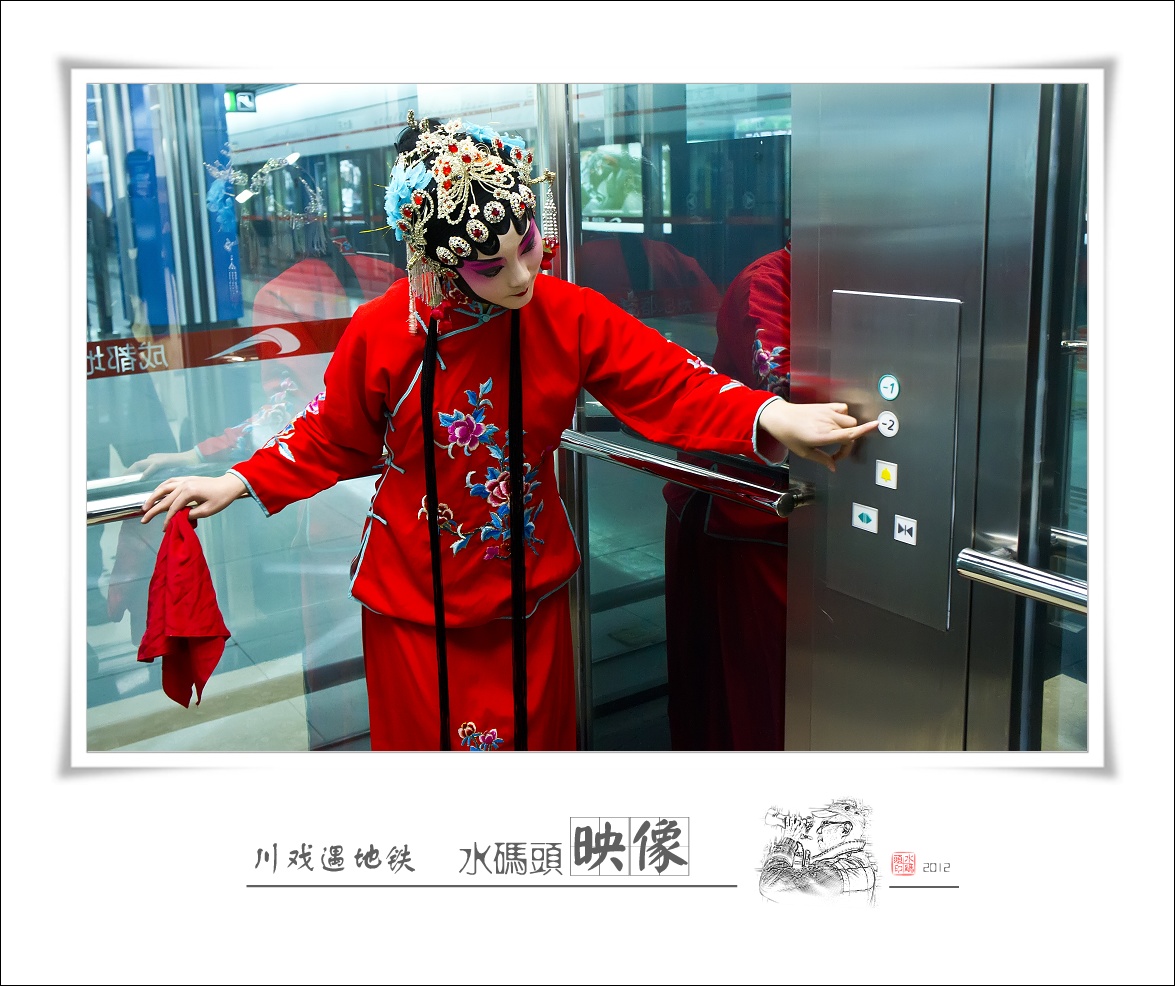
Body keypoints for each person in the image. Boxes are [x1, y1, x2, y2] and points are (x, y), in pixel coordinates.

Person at [141, 115, 876, 752]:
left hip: (528, 583)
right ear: (437, 259)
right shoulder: (384, 329)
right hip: (411, 594)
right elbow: (331, 435)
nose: (522, 275)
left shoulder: (568, 312)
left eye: (527, 244)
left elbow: (667, 378)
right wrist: (237, 479)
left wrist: (768, 415)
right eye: (491, 266)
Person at [663, 245, 793, 750]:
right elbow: (783, 388)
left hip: (800, 513)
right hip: (744, 514)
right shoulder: (768, 281)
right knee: (753, 689)